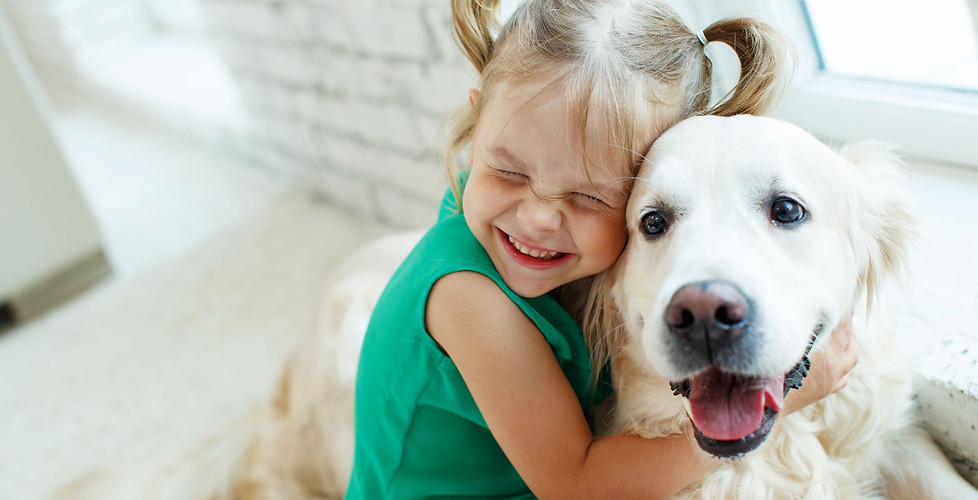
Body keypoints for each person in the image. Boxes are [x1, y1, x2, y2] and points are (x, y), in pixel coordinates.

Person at [346, 0, 858, 498]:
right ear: (477, 121)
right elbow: (577, 485)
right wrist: (787, 398)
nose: (538, 216)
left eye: (588, 197)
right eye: (509, 171)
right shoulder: (470, 300)